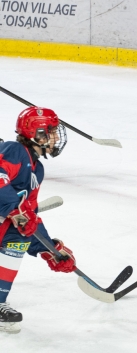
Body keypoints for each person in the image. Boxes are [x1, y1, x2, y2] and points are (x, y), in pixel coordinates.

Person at [0, 107, 77, 333]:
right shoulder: (14, 151)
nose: (55, 137)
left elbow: (29, 217)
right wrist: (14, 211)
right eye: (51, 131)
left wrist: (49, 249)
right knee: (16, 230)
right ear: (38, 133)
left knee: (18, 237)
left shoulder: (37, 169)